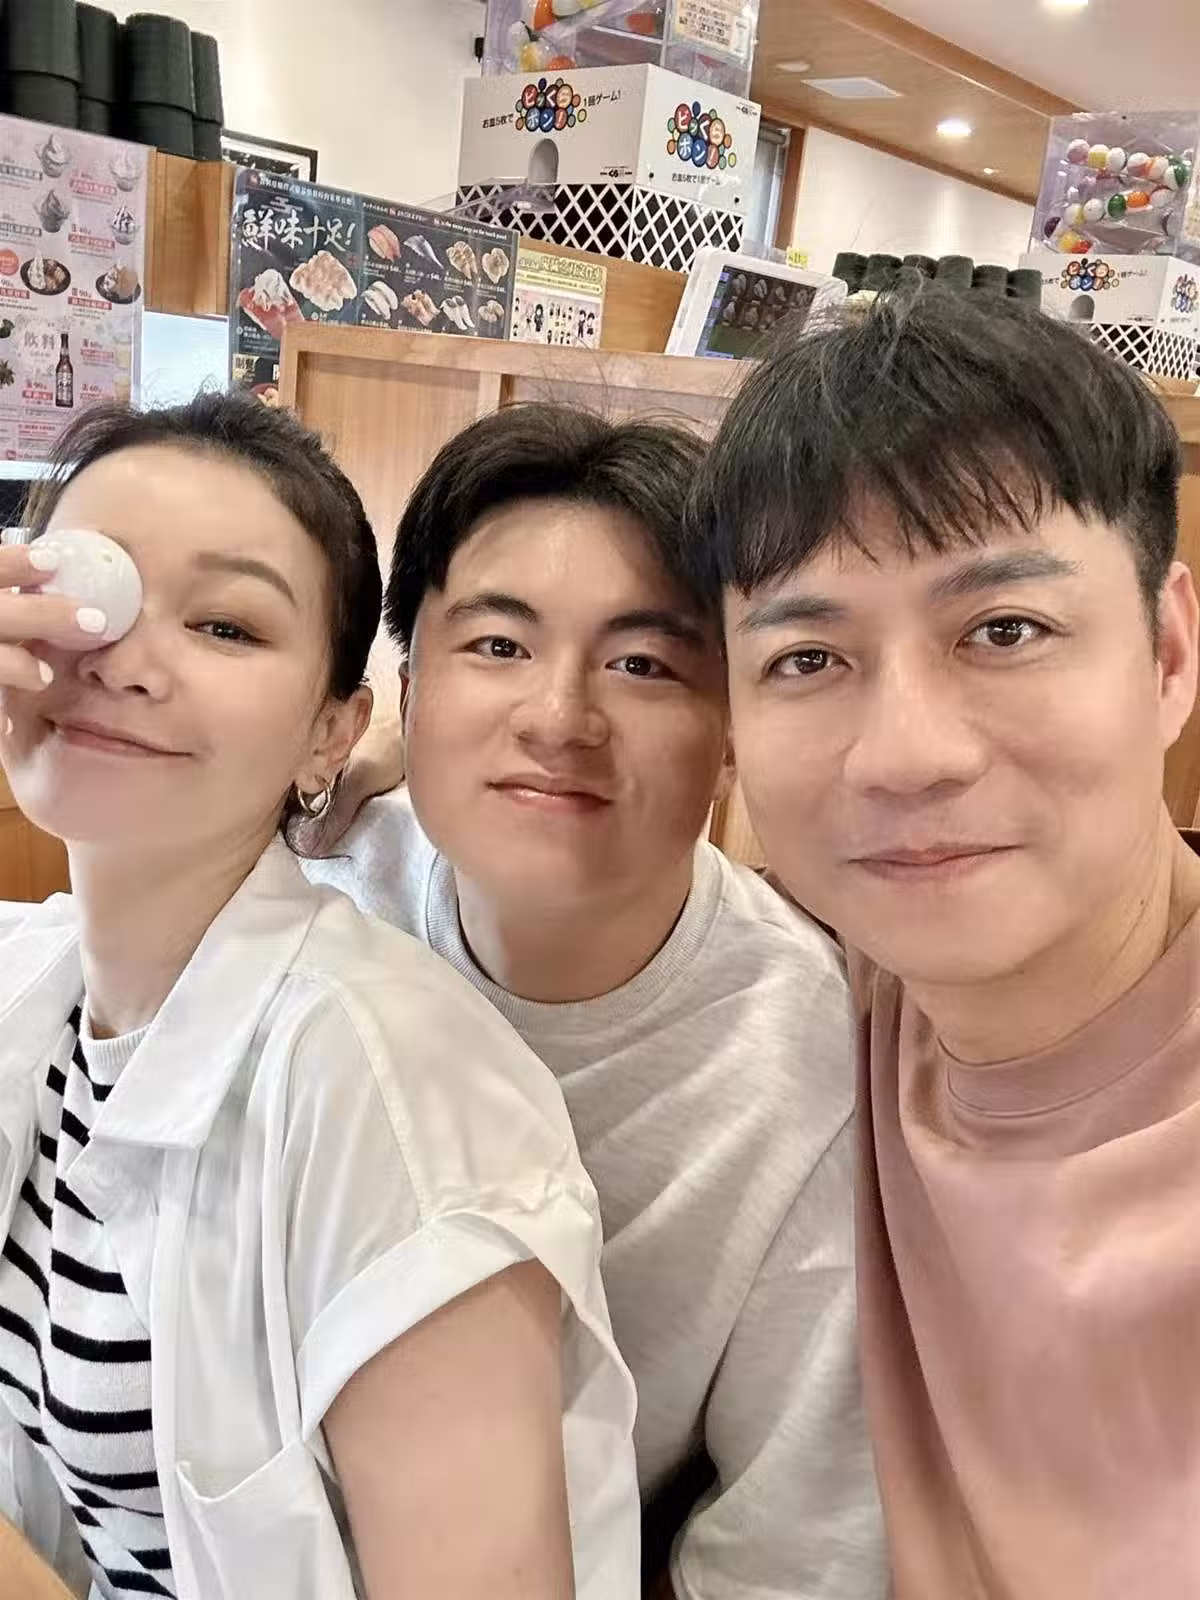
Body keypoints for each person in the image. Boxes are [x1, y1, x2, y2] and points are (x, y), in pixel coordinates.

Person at [0, 393, 638, 1600]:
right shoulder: (33, 974)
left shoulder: (397, 1100)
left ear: (331, 734)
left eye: (227, 625)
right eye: (90, 587)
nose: (122, 660)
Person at [303, 404, 886, 1600]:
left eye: (642, 664)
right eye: (498, 645)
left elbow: (787, 1556)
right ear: (409, 691)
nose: (559, 718)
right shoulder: (308, 898)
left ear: (734, 727)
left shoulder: (806, 1073)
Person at [686, 285, 1200, 1598]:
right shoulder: (833, 991)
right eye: (809, 658)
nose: (907, 754)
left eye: (1004, 631)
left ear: (1167, 654)